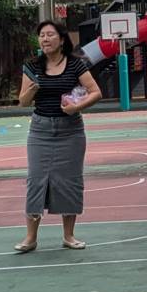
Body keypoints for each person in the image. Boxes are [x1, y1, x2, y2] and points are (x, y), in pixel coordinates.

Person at [14, 20, 103, 252]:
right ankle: (30, 238)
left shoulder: (76, 65)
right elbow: (22, 102)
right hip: (40, 130)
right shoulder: (32, 66)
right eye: (41, 35)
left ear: (61, 39)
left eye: (50, 35)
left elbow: (95, 92)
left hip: (71, 130)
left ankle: (69, 236)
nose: (45, 39)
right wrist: (31, 91)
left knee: (70, 180)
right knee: (36, 180)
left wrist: (77, 107)